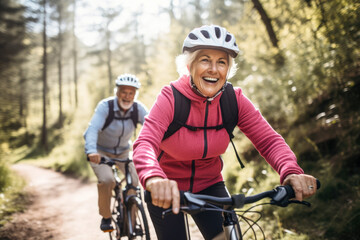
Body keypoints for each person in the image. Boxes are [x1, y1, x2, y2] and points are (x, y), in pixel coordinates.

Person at [132, 25, 318, 240]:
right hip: (166, 188)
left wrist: (291, 171)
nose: (213, 69)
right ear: (189, 65)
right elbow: (145, 143)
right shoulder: (171, 97)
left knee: (229, 237)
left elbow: (268, 140)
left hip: (210, 185)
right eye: (205, 60)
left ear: (228, 69)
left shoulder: (233, 100)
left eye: (222, 62)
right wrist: (154, 178)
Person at [84, 73, 148, 232]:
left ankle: (131, 222)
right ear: (117, 92)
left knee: (134, 180)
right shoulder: (106, 107)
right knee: (107, 180)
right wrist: (91, 151)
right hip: (100, 152)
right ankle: (106, 217)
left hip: (124, 153)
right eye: (123, 92)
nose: (127, 96)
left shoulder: (138, 109)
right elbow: (92, 130)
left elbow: (152, 127)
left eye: (131, 93)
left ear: (135, 95)